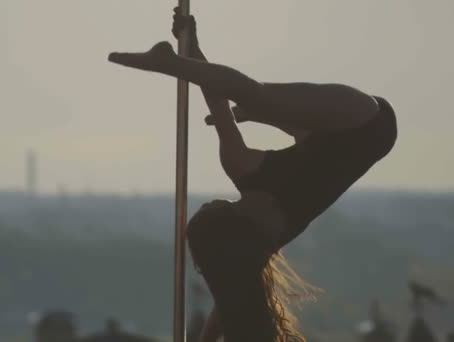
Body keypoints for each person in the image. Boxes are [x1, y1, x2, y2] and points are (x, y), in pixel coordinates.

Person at [108, 8, 397, 342]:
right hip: (366, 123)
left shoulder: (258, 241)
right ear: (232, 215)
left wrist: (192, 47)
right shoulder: (245, 181)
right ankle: (185, 73)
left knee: (261, 108)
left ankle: (255, 111)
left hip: (327, 136)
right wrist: (179, 64)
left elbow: (233, 302)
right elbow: (216, 96)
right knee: (255, 96)